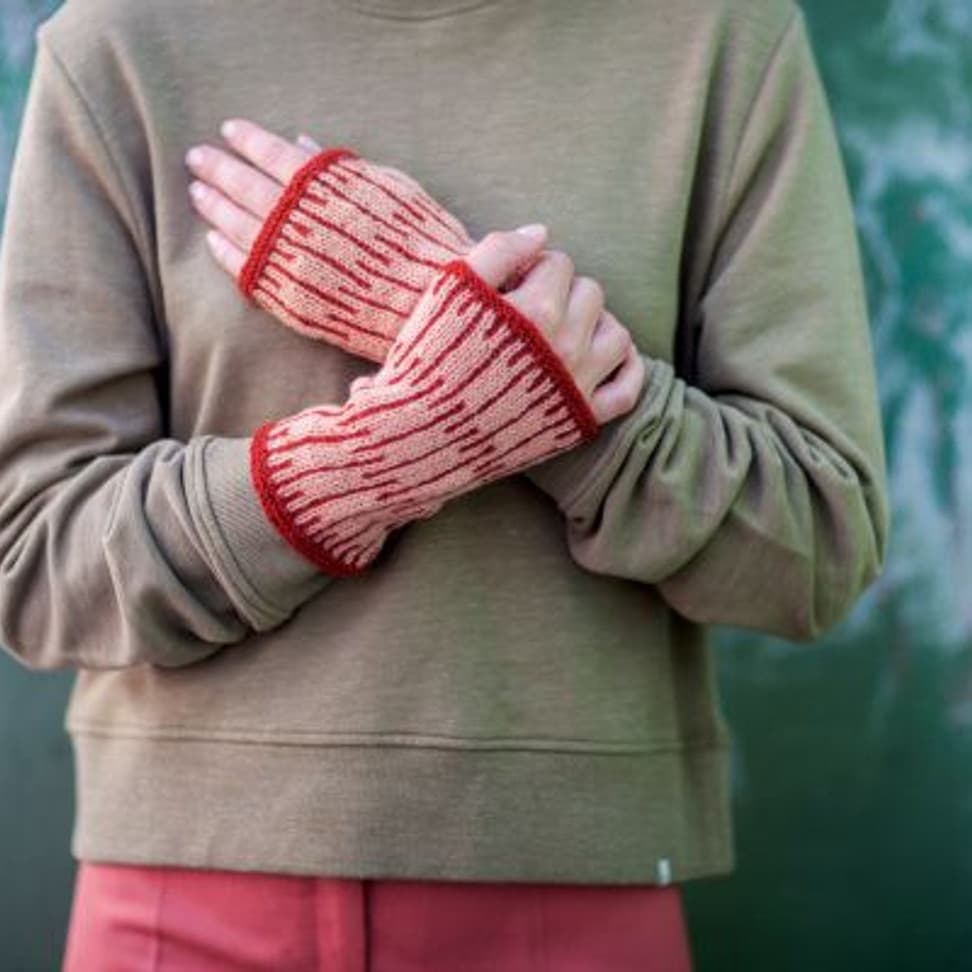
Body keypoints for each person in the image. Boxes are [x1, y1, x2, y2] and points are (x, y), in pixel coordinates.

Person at [0, 0, 889, 968]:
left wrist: (532, 380)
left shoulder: (718, 36)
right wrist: (371, 460)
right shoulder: (121, 41)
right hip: (184, 903)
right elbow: (33, 562)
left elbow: (814, 546)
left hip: (572, 900)